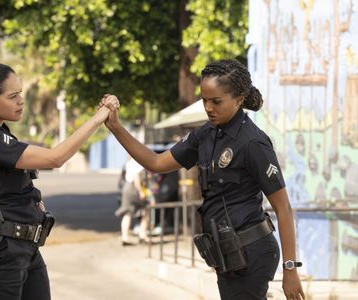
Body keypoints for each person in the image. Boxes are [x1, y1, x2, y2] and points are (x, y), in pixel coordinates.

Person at [102, 59, 305, 300]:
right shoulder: (205, 135)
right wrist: (115, 127)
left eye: (216, 101)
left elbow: (283, 208)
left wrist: (290, 269)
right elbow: (156, 163)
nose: (209, 108)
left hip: (252, 254)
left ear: (239, 99)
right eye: (204, 100)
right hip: (227, 253)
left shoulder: (253, 143)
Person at [0, 63, 118, 300]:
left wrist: (35, 200)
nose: (21, 101)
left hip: (25, 247)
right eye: (12, 96)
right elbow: (55, 158)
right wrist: (97, 119)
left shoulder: (0, 132)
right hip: (1, 253)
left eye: (20, 93)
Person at [115, 156, 148, 245]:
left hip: (126, 188)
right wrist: (141, 191)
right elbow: (136, 178)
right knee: (145, 212)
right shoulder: (138, 163)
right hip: (135, 189)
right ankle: (142, 235)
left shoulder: (128, 163)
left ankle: (124, 237)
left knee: (127, 213)